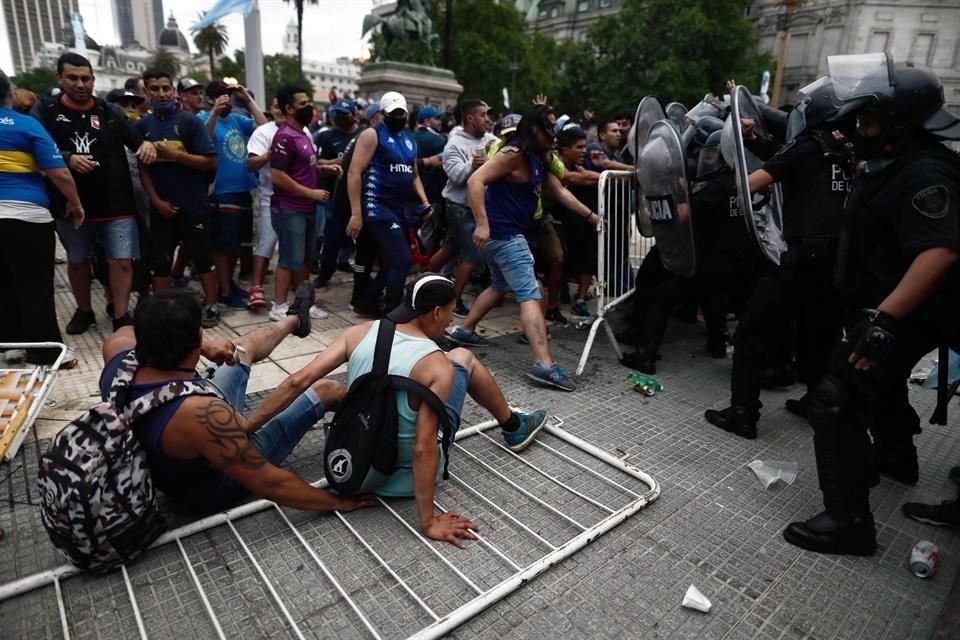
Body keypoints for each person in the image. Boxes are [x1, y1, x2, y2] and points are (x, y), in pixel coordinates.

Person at [783, 56, 960, 556]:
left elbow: (939, 249)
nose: (858, 128)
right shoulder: (895, 160)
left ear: (903, 119)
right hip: (906, 306)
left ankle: (848, 525)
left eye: (869, 119)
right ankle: (898, 461)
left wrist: (883, 320)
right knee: (878, 386)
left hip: (913, 308)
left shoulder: (923, 170)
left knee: (835, 397)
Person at [240, 273, 548, 547]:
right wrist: (428, 522)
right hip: (398, 482)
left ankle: (511, 424)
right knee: (463, 357)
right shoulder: (437, 365)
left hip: (353, 467)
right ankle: (512, 426)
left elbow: (296, 381)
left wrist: (248, 427)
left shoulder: (357, 333)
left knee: (348, 387)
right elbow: (423, 446)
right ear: (437, 312)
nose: (450, 322)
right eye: (451, 315)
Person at [97, 285, 376, 514]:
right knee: (329, 390)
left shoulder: (119, 357)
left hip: (182, 417)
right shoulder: (201, 413)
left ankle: (295, 320)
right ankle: (374, 437)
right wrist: (339, 502)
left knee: (238, 350)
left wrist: (206, 347)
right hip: (209, 485)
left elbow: (123, 332)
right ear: (195, 336)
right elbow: (270, 483)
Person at [705, 84, 850, 440]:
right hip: (839, 263)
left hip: (802, 259)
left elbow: (756, 181)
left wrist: (730, 175)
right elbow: (786, 158)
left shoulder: (807, 146)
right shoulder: (845, 151)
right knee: (819, 335)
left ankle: (743, 413)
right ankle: (816, 401)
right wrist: (753, 141)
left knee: (751, 333)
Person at [448, 105, 599, 392]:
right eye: (548, 128)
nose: (553, 134)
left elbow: (560, 191)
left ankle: (464, 330)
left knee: (499, 285)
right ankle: (544, 365)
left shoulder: (537, 157)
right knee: (531, 294)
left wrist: (590, 216)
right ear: (532, 129)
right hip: (503, 235)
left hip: (504, 234)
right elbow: (475, 180)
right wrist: (482, 224)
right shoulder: (512, 154)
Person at [33, 52, 156, 333]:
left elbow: (137, 140)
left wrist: (146, 146)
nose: (80, 84)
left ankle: (121, 315)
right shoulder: (47, 110)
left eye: (85, 78)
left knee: (123, 261)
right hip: (70, 204)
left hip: (116, 203)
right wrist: (66, 157)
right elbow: (35, 146)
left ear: (93, 79)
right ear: (59, 78)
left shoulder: (108, 110)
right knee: (78, 261)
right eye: (73, 78)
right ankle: (85, 310)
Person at [0, 70, 84, 364]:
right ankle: (46, 352)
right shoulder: (26, 125)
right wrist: (75, 203)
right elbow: (59, 172)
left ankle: (10, 345)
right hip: (27, 216)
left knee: (4, 284)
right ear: (9, 94)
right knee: (35, 286)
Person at [136, 67, 221, 327]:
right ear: (147, 92)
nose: (161, 94)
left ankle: (212, 305)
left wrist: (178, 156)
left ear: (173, 91)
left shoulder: (189, 122)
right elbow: (143, 170)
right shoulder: (142, 127)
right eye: (155, 89)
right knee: (160, 261)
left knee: (203, 257)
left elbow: (210, 162)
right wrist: (156, 201)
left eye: (166, 88)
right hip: (161, 207)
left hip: (193, 204)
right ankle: (160, 312)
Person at [346, 91, 430, 315]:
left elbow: (414, 176)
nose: (398, 116)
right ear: (383, 113)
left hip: (397, 209)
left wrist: (425, 201)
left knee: (397, 259)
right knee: (401, 259)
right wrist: (356, 213)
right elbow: (354, 172)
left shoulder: (410, 142)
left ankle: (367, 300)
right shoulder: (372, 135)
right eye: (393, 113)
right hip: (376, 206)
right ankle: (393, 309)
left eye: (401, 112)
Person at [199, 80, 267, 309]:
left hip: (243, 189)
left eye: (228, 94)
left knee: (236, 244)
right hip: (220, 192)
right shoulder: (202, 118)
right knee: (222, 246)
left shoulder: (237, 119)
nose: (226, 98)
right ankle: (225, 291)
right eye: (220, 95)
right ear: (210, 99)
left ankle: (229, 284)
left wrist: (248, 100)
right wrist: (214, 113)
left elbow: (265, 127)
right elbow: (203, 140)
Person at [268, 85, 331, 319]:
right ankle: (280, 305)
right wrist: (310, 193)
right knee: (288, 258)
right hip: (289, 208)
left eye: (308, 102)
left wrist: (325, 168)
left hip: (307, 207)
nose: (309, 107)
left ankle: (305, 301)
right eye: (303, 104)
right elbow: (278, 176)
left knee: (306, 258)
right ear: (288, 108)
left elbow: (305, 166)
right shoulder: (284, 136)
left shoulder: (303, 134)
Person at [438, 99, 496, 317]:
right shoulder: (454, 144)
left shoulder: (491, 140)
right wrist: (471, 166)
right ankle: (454, 301)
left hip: (477, 207)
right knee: (473, 255)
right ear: (470, 118)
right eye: (483, 115)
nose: (488, 119)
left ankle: (422, 278)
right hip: (458, 207)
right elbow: (454, 176)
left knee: (450, 248)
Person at [313, 98, 360, 286]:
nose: (341, 119)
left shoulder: (364, 135)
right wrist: (335, 163)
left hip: (358, 193)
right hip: (336, 193)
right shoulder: (327, 136)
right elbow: (318, 162)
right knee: (332, 236)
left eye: (345, 115)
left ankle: (349, 263)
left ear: (355, 115)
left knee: (357, 238)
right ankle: (325, 273)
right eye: (338, 115)